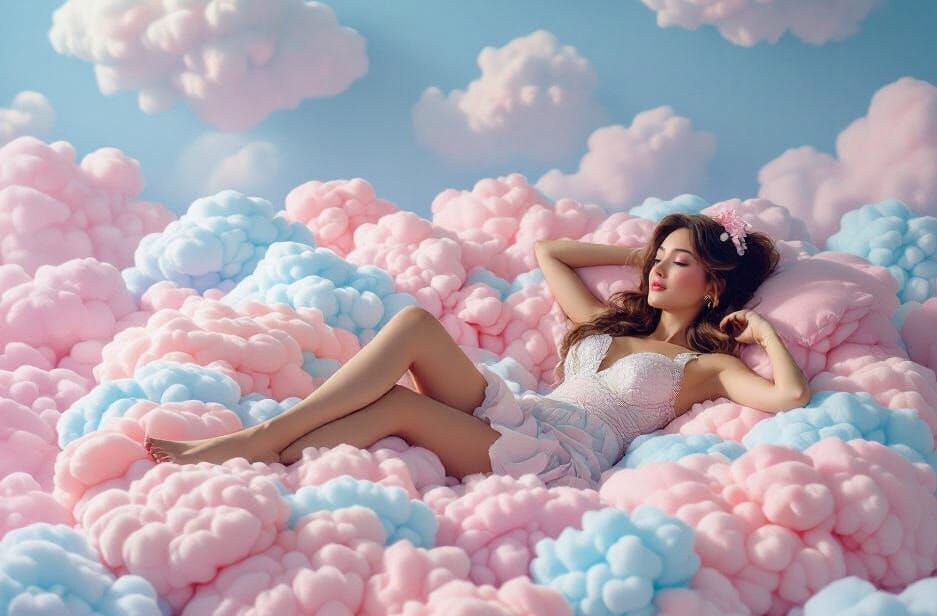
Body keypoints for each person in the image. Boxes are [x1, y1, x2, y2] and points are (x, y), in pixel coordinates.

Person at [146, 211, 810, 487]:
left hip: (559, 457)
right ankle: (263, 440)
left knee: (399, 409)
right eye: (658, 259)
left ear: (715, 283)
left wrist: (764, 333)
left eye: (679, 263)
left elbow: (788, 396)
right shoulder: (613, 324)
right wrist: (647, 251)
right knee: (412, 325)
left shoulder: (706, 367)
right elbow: (550, 252)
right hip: (524, 413)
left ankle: (250, 455)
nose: (658, 273)